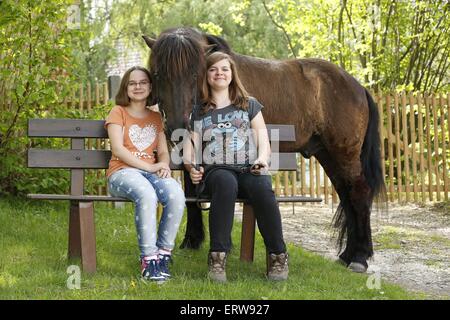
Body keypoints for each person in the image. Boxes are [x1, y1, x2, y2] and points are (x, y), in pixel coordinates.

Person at [183, 52, 288, 282]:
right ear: (206, 75)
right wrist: (192, 168)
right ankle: (217, 258)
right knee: (225, 180)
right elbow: (189, 148)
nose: (219, 73)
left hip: (248, 169)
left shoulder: (248, 104)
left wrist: (261, 159)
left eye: (224, 69)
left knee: (262, 187)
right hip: (216, 172)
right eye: (213, 69)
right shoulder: (198, 110)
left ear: (232, 74)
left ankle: (278, 257)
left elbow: (264, 141)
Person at [105, 66, 185, 281]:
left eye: (142, 82)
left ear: (151, 87)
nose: (138, 86)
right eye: (132, 83)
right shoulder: (118, 112)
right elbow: (118, 150)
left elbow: (163, 152)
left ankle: (163, 254)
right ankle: (148, 259)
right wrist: (150, 167)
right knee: (147, 195)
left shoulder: (156, 117)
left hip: (150, 174)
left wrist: (165, 165)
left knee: (176, 194)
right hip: (122, 172)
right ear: (125, 88)